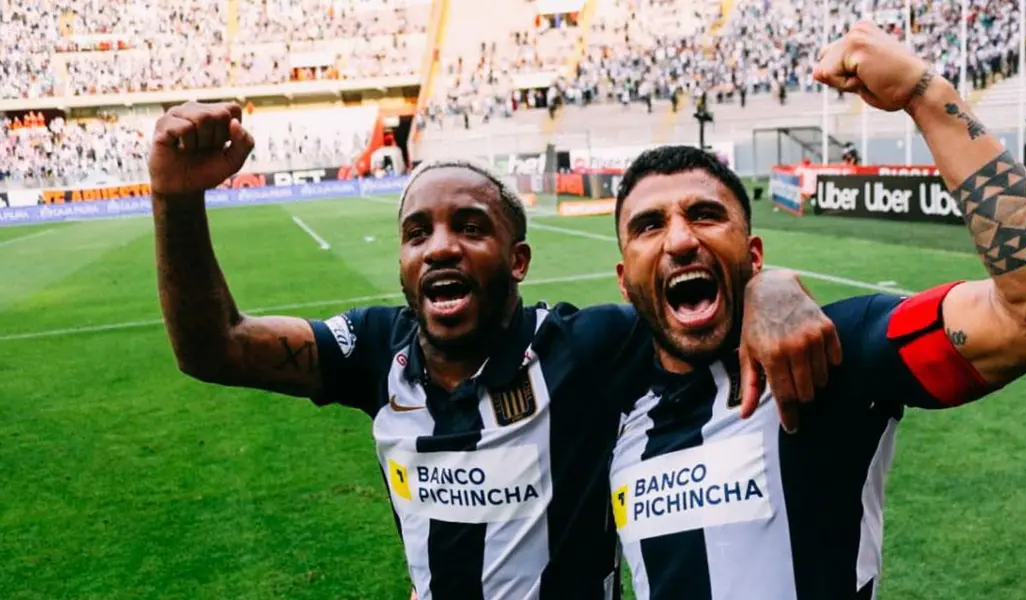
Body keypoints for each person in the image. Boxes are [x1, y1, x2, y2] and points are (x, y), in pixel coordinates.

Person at [146, 104, 838, 599]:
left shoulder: (587, 348)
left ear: (517, 261)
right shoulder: (376, 352)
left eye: (470, 227)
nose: (440, 247)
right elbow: (216, 349)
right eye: (418, 233)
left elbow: (688, 304)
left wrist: (768, 285)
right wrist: (176, 199)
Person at [607, 20, 1026, 600]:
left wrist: (926, 94)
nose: (679, 239)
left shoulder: (834, 351)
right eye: (649, 226)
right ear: (623, 281)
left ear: (754, 254)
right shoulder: (600, 401)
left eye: (705, 215)